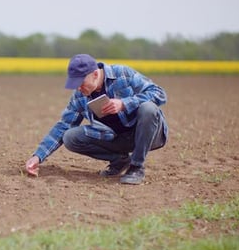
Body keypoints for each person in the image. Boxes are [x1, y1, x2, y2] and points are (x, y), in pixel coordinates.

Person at [25, 54, 168, 184]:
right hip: (118, 139)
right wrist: (38, 156)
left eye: (81, 82)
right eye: (75, 84)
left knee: (148, 109)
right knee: (70, 137)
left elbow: (159, 93)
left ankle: (136, 167)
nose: (79, 88)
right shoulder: (79, 96)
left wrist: (125, 104)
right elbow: (64, 125)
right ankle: (120, 160)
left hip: (149, 134)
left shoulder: (122, 74)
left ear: (94, 74)